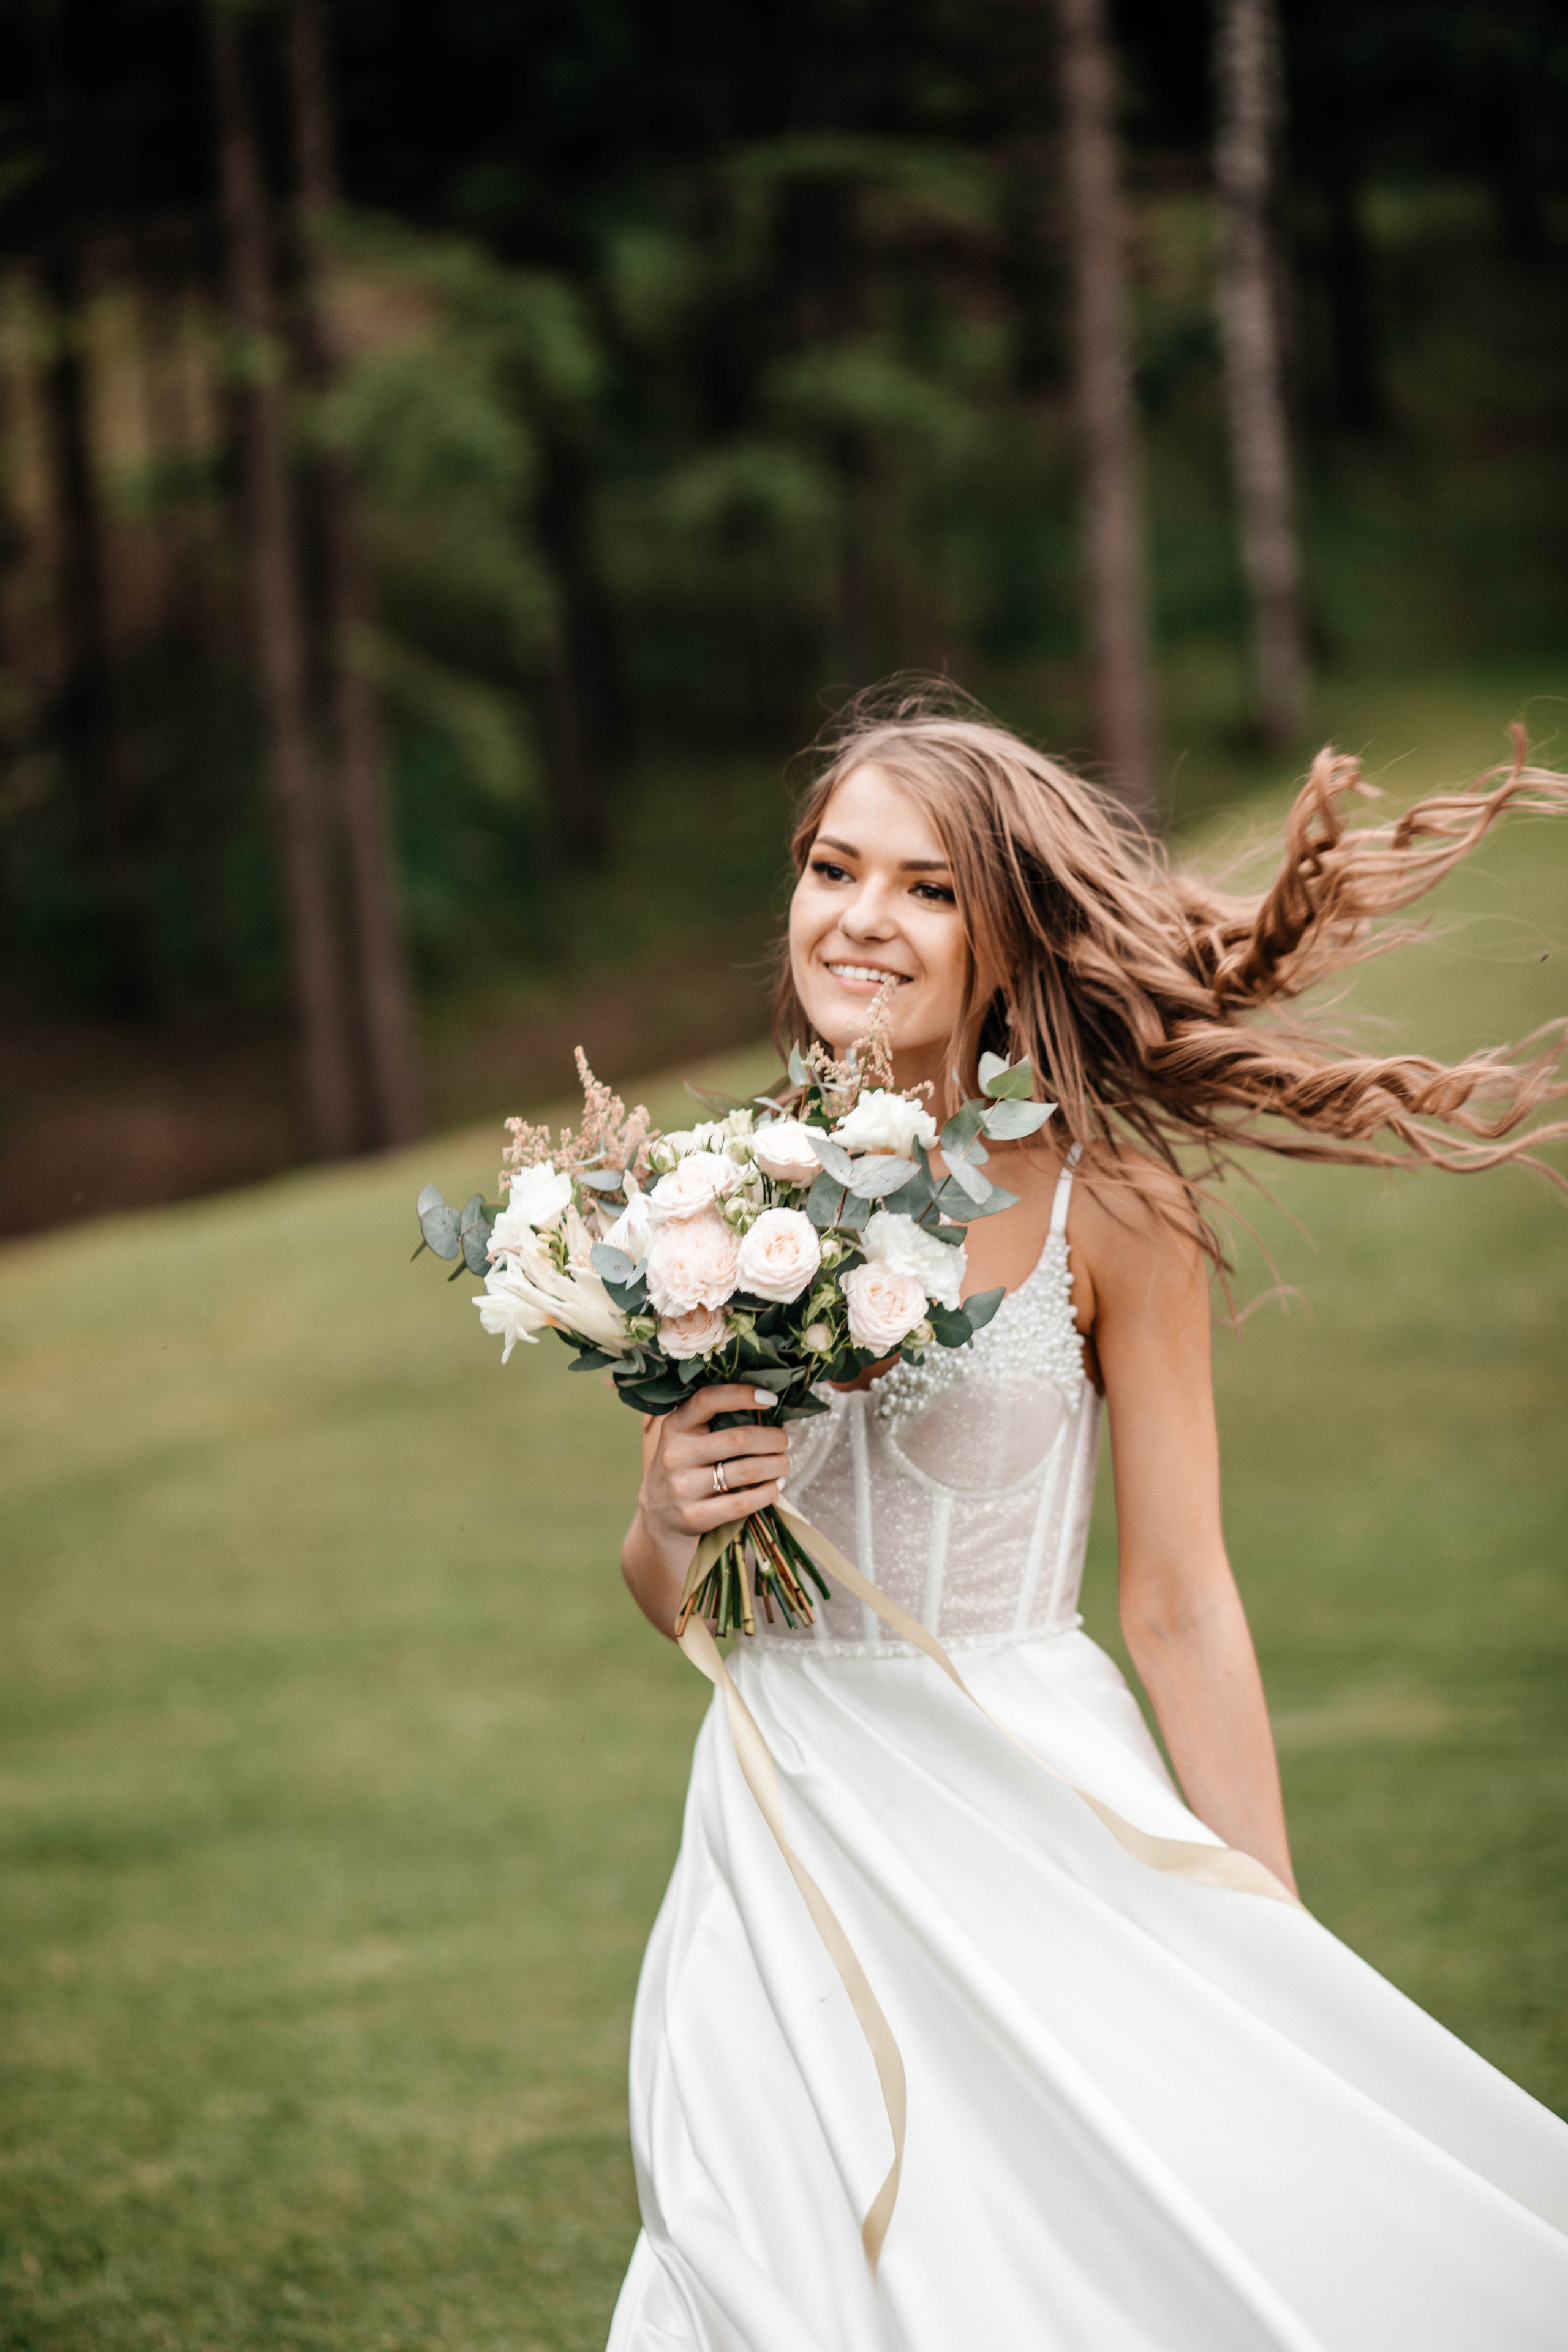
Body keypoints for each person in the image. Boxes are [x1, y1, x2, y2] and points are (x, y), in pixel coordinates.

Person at [609, 694, 1568, 2351]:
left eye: (928, 888)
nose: (863, 917)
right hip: (780, 1823)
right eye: (835, 868)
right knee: (751, 2260)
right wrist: (662, 1512)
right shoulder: (720, 1196)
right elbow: (683, 1593)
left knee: (1072, 2263)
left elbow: (1180, 1597)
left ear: (1008, 934)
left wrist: (1271, 1933)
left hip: (1028, 1805)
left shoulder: (1112, 1204)